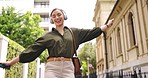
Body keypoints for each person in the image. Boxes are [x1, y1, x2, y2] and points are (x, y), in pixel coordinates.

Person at [0, 8, 114, 78]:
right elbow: (31, 50)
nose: (57, 17)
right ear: (52, 20)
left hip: (68, 67)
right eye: (53, 16)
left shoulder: (74, 32)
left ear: (63, 16)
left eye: (59, 14)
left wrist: (107, 25)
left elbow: (91, 32)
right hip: (52, 68)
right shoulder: (48, 36)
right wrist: (11, 62)